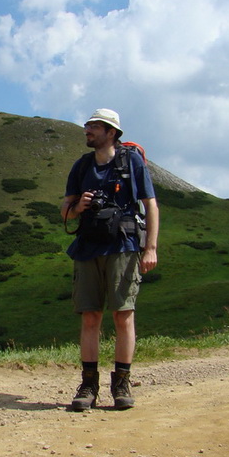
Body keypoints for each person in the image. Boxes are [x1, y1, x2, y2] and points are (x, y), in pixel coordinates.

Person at [61, 108, 159, 410]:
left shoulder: (132, 163)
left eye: (94, 126)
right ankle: (88, 386)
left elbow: (151, 206)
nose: (87, 130)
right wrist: (79, 206)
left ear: (111, 132)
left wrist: (150, 247)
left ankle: (121, 384)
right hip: (88, 247)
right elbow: (64, 212)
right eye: (88, 125)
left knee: (123, 314)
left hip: (124, 245)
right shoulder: (82, 166)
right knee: (90, 316)